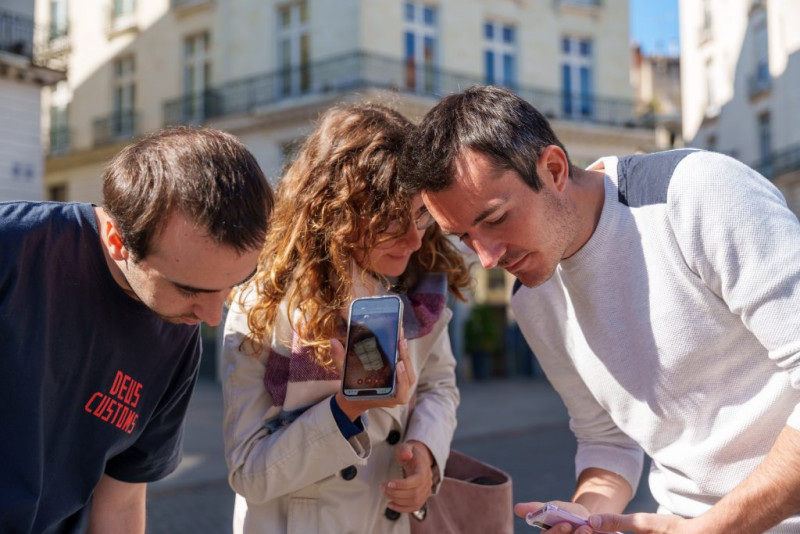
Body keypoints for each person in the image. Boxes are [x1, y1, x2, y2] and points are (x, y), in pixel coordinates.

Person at [400, 85, 800, 533]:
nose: (488, 257)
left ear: (553, 169)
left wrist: (712, 526)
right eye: (465, 237)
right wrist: (581, 513)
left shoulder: (696, 194)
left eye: (494, 220)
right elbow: (606, 440)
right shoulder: (533, 300)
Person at [0, 126, 273, 533]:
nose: (214, 316)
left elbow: (124, 500)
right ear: (115, 238)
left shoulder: (179, 338)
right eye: (189, 289)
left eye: (235, 284)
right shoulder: (12, 251)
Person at [221, 103, 471, 533]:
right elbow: (249, 473)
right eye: (392, 220)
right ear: (337, 213)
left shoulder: (420, 287)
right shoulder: (262, 303)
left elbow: (438, 385)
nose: (414, 239)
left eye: (421, 215)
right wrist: (348, 409)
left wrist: (426, 452)